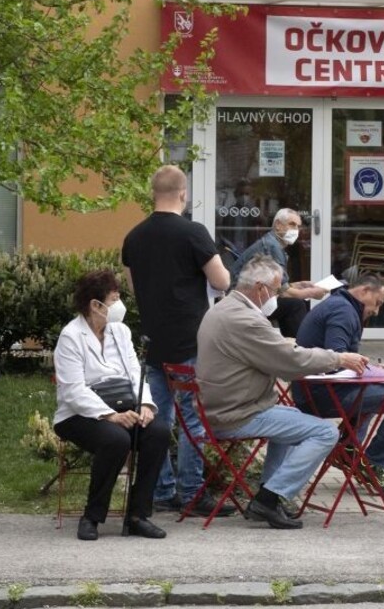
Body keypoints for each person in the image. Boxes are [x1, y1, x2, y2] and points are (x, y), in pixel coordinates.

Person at [197, 256, 369, 529]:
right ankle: (270, 497)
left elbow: (272, 350)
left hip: (223, 406)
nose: (276, 297)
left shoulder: (224, 308)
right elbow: (290, 363)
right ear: (259, 288)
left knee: (292, 419)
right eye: (276, 291)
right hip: (236, 412)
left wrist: (288, 346)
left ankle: (271, 493)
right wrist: (338, 359)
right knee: (325, 432)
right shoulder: (247, 320)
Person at [122, 165, 234, 517]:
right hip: (190, 340)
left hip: (153, 340)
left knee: (158, 418)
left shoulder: (134, 236)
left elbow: (130, 286)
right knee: (193, 419)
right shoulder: (193, 233)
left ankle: (162, 488)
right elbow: (221, 281)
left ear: (152, 193)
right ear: (183, 194)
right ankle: (192, 492)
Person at [53, 270, 170, 541]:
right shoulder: (71, 336)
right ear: (96, 305)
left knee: (159, 433)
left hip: (125, 407)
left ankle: (138, 516)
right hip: (78, 414)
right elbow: (73, 391)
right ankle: (92, 516)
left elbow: (134, 371)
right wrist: (109, 416)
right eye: (114, 299)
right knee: (116, 440)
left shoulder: (120, 331)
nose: (119, 306)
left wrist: (145, 406)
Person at [294, 274, 384, 496]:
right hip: (321, 393)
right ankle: (372, 464)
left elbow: (341, 360)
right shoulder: (343, 311)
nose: (377, 311)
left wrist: (374, 372)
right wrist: (374, 375)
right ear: (364, 291)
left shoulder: (340, 306)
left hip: (312, 389)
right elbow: (338, 360)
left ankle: (348, 450)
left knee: (381, 389)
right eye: (377, 303)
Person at [230, 208, 328, 338]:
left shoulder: (272, 243)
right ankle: (299, 350)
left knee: (292, 303)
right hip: (244, 301)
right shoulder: (272, 246)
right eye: (292, 224)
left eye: (298, 226)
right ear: (277, 225)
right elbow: (283, 291)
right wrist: (312, 293)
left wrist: (300, 284)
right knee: (295, 305)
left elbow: (278, 285)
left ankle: (294, 347)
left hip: (249, 296)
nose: (296, 230)